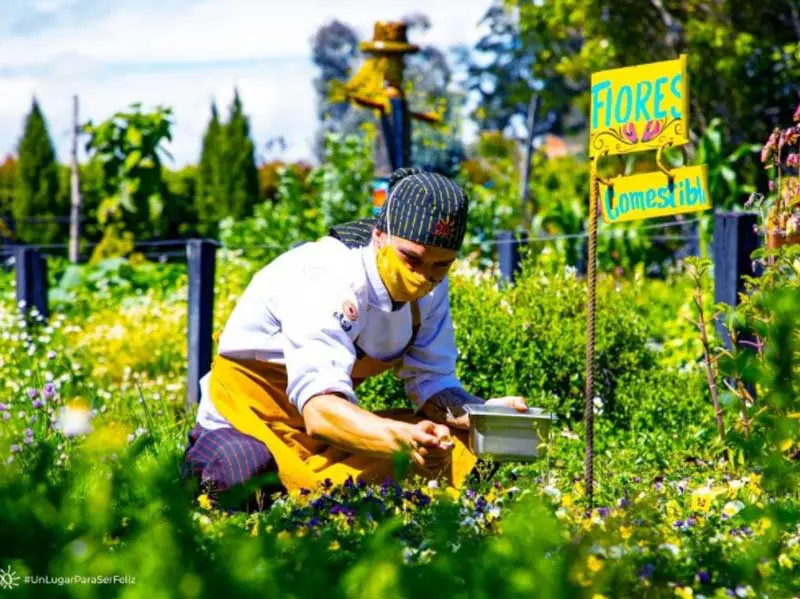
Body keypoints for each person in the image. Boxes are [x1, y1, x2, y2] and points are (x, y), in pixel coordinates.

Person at [183, 167, 528, 504]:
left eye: (441, 265)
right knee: (242, 472)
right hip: (248, 424)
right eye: (411, 259)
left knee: (472, 444)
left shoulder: (432, 291)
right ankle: (202, 473)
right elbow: (319, 411)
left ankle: (338, 500)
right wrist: (400, 439)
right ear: (380, 235)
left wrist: (480, 416)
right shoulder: (325, 275)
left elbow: (432, 383)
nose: (424, 277)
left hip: (333, 436)